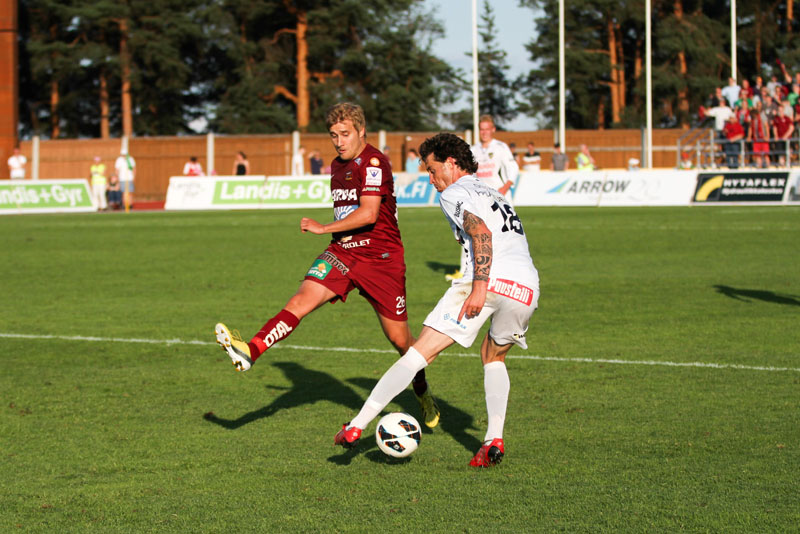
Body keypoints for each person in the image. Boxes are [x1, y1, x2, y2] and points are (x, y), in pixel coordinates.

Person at [214, 102, 440, 428]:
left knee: (402, 343)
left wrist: (322, 227)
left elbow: (370, 213)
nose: (339, 141)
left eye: (345, 134)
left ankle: (421, 389)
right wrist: (333, 236)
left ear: (362, 131)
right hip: (343, 254)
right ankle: (250, 350)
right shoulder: (336, 165)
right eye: (333, 135)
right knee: (300, 301)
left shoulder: (375, 162)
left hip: (382, 262)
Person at [334, 132, 539, 468]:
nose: (430, 180)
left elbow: (481, 233)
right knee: (494, 356)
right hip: (527, 286)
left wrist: (479, 286)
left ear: (452, 163)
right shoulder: (491, 191)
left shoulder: (455, 192)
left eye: (432, 170)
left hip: (487, 281)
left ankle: (356, 426)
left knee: (418, 354)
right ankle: (493, 440)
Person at [446, 114, 519, 282]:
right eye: (482, 129)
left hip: (498, 198)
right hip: (479, 199)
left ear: (493, 129)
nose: (484, 132)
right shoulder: (474, 149)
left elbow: (512, 169)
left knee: (503, 234)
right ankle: (466, 271)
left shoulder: (500, 147)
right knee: (470, 231)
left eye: (487, 129)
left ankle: (505, 269)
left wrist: (505, 187)